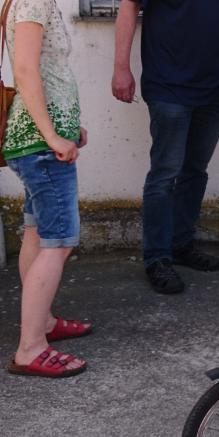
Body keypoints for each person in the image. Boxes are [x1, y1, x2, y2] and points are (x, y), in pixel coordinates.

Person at [112, 0, 219, 294]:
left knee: (195, 171)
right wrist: (121, 67)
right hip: (168, 89)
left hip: (214, 91)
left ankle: (181, 245)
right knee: (164, 175)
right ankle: (157, 259)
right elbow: (128, 6)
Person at [3, 0, 91, 378]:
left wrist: (70, 127)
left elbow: (48, 70)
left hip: (40, 143)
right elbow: (24, 69)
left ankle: (43, 323)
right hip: (41, 148)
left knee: (38, 234)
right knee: (60, 241)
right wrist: (53, 134)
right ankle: (31, 348)